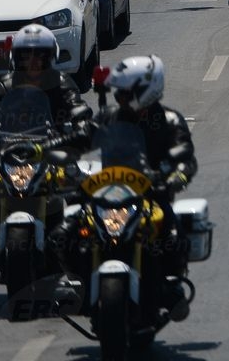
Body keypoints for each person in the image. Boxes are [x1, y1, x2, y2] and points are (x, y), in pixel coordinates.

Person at [53, 55, 197, 321]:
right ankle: (78, 283)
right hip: (106, 191)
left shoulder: (170, 121)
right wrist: (49, 149)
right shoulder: (109, 116)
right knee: (64, 232)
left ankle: (169, 286)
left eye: (125, 92)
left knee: (174, 238)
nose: (119, 97)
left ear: (145, 90)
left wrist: (175, 177)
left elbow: (185, 158)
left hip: (150, 195)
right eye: (117, 92)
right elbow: (81, 138)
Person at [0, 24, 92, 265]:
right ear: (17, 57)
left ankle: (83, 242)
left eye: (39, 55)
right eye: (27, 55)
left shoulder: (61, 83)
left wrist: (81, 124)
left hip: (51, 153)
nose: (33, 60)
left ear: (49, 57)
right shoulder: (6, 84)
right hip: (9, 154)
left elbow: (78, 108)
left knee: (83, 187)